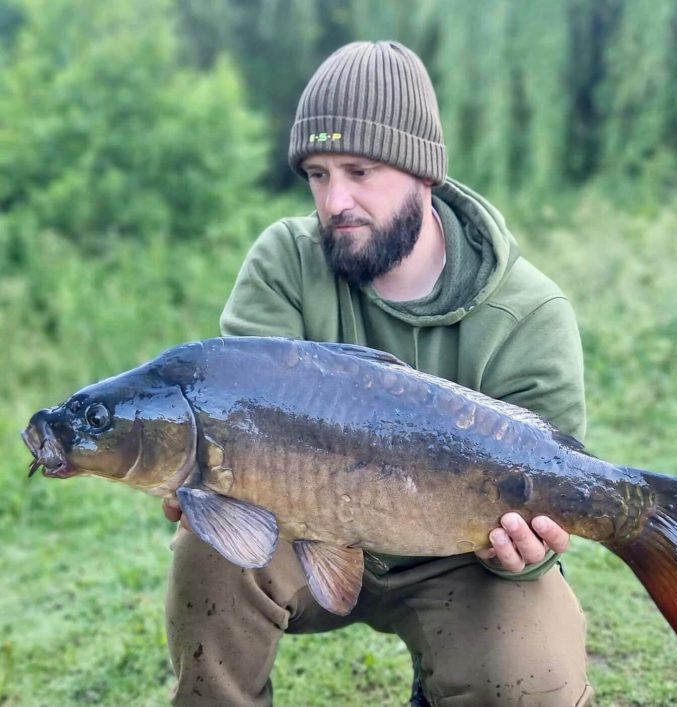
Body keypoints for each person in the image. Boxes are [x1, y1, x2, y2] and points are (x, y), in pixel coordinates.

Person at [163, 40, 594, 706]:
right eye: (318, 173)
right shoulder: (284, 262)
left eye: (360, 170)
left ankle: (452, 676)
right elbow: (235, 419)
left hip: (459, 557)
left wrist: (530, 549)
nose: (335, 200)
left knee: (531, 678)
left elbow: (551, 504)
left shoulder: (528, 314)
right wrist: (208, 488)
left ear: (424, 173)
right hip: (302, 533)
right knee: (207, 554)